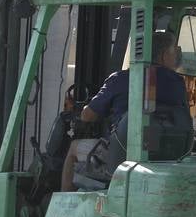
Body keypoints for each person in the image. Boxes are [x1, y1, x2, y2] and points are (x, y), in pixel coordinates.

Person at [61, 30, 187, 191]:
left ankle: (62, 204)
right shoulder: (177, 84)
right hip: (165, 152)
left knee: (73, 148)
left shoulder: (120, 79)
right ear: (163, 56)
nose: (176, 56)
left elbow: (87, 116)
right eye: (174, 52)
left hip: (123, 154)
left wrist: (88, 109)